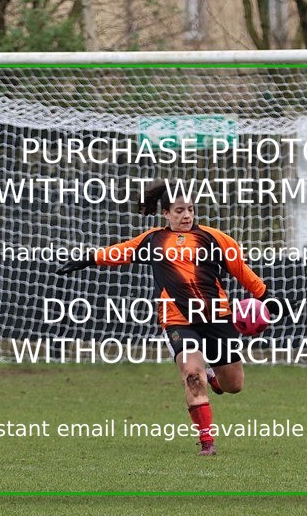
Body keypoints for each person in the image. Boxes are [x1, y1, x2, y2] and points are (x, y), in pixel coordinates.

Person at [57, 181, 269, 456]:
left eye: (190, 209)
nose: (186, 216)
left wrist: (267, 298)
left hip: (217, 317)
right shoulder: (153, 240)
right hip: (177, 319)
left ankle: (215, 377)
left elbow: (243, 272)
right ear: (166, 214)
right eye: (179, 210)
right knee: (192, 374)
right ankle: (207, 442)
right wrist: (88, 259)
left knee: (234, 385)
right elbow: (119, 252)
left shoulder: (215, 238)